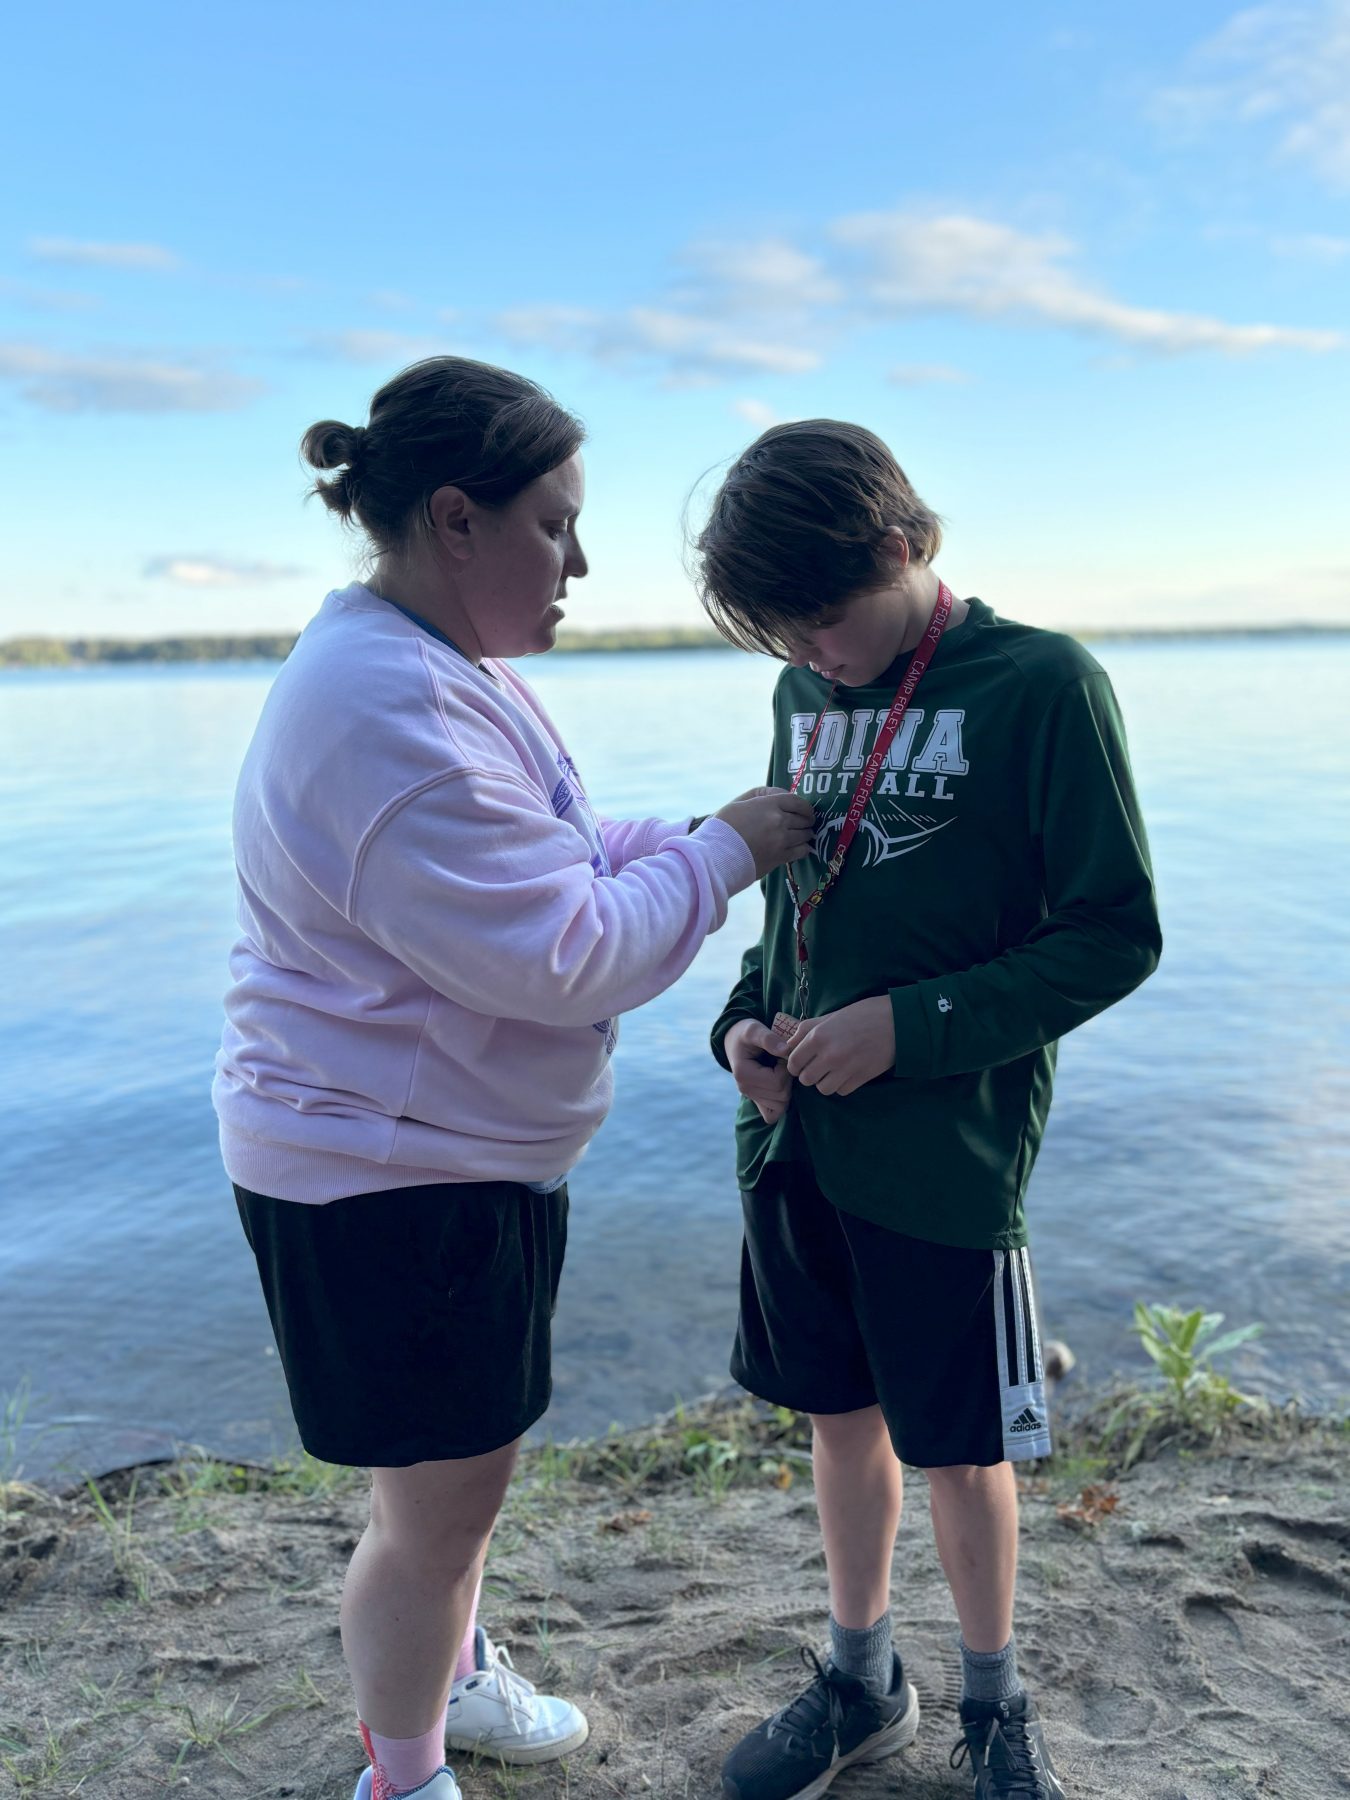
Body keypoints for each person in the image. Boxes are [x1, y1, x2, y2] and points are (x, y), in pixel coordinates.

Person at [212, 357, 815, 1800]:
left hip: (415, 1146)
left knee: (439, 1481)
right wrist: (723, 854)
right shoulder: (391, 716)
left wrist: (668, 834)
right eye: (555, 524)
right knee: (440, 1507)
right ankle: (407, 1772)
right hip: (394, 1170)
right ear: (454, 518)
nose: (582, 562)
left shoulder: (421, 665)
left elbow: (545, 842)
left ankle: (447, 1674)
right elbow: (566, 955)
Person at [695, 420, 1162, 1800]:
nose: (809, 651)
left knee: (961, 1450)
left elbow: (1109, 934)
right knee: (838, 1422)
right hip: (796, 1145)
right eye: (778, 629)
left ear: (899, 547)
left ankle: (990, 1704)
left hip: (947, 1159)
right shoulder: (801, 689)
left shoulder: (1041, 685)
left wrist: (912, 1025)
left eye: (822, 616)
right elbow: (795, 912)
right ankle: (857, 1680)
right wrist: (739, 1023)